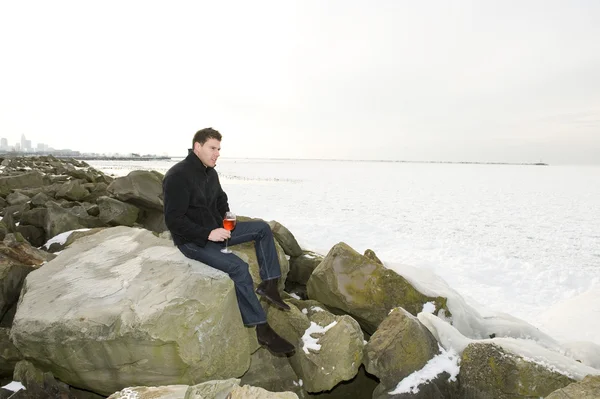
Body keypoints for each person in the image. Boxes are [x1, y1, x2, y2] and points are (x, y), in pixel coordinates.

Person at [162, 127, 294, 354]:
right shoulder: (177, 176)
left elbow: (221, 200)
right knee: (239, 267)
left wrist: (227, 218)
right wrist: (207, 234)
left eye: (219, 149)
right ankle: (262, 329)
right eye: (213, 148)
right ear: (198, 147)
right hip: (193, 241)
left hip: (219, 230)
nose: (217, 153)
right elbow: (173, 220)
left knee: (262, 228)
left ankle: (270, 285)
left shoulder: (210, 172)